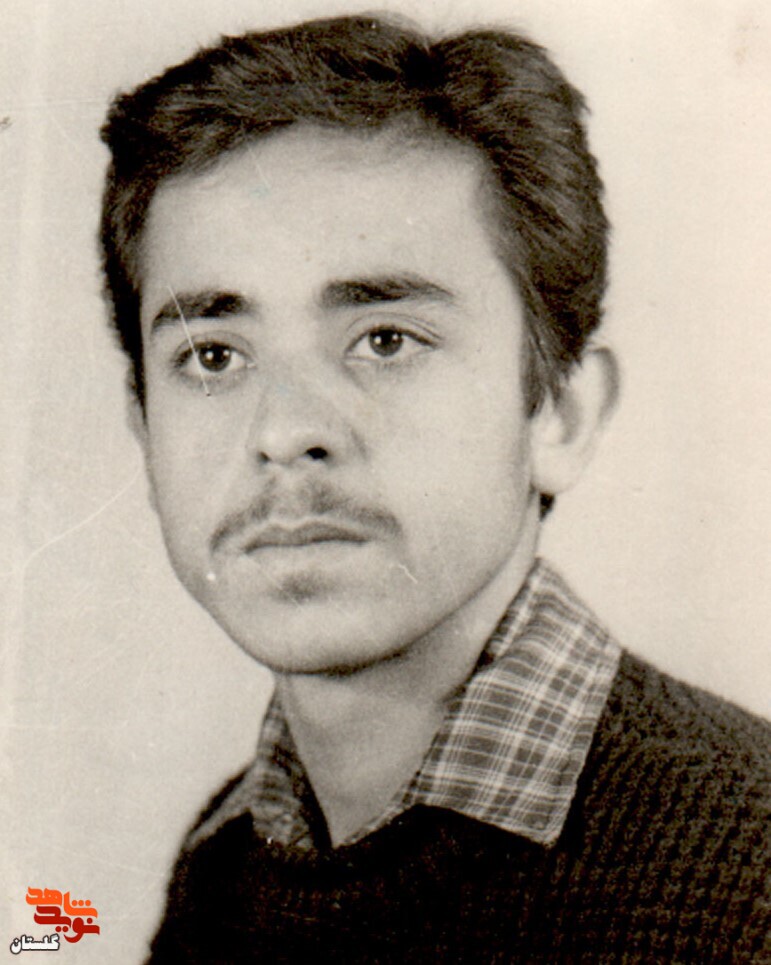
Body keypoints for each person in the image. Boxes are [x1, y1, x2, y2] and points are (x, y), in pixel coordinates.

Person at [98, 13, 769, 962]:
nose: (284, 432)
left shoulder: (747, 872)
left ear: (559, 413)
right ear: (144, 426)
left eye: (385, 340)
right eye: (212, 356)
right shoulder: (223, 864)